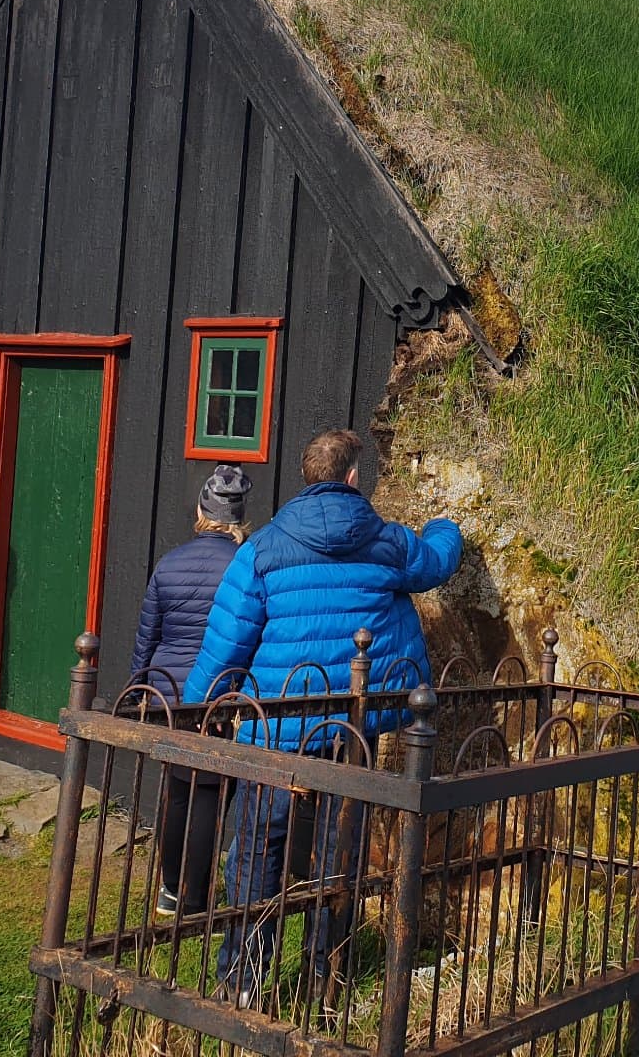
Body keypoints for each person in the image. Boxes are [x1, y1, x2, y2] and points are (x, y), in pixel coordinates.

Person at [179, 428, 463, 1001]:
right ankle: (324, 976)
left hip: (276, 726)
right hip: (351, 726)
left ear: (306, 477)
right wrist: (446, 525)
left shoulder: (262, 549)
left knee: (259, 850)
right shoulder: (385, 542)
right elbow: (436, 562)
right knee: (340, 853)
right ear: (353, 477)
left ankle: (243, 978)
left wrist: (194, 705)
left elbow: (227, 638)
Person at [128, 463, 252, 916]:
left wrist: (138, 689)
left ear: (201, 511)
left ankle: (169, 888)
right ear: (239, 518)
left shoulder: (169, 563)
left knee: (178, 789)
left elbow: (148, 636)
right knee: (209, 793)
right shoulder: (245, 567)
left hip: (169, 692)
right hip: (218, 694)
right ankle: (195, 900)